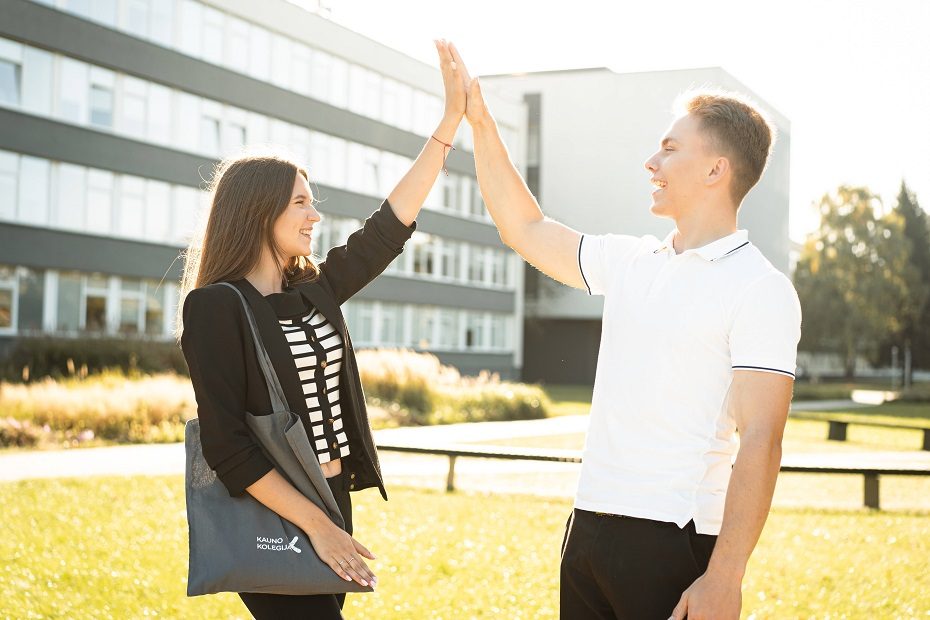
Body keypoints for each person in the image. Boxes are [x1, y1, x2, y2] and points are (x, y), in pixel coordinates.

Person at [447, 44, 802, 620]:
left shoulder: (759, 288)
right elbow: (524, 226)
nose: (650, 163)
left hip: (673, 538)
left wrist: (725, 579)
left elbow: (762, 439)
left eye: (669, 148)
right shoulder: (632, 261)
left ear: (716, 169)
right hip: (588, 525)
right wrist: (481, 122)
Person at [176, 40, 466, 619]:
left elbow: (388, 227)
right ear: (258, 212)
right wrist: (316, 527)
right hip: (278, 510)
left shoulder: (315, 289)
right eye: (301, 203)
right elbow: (227, 447)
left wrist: (449, 123)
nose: (315, 215)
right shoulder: (215, 308)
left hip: (332, 498)